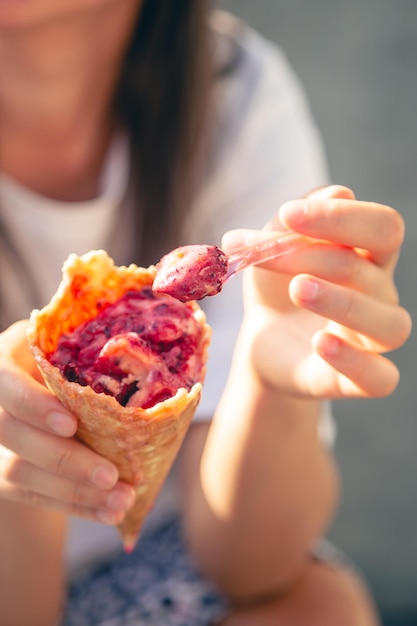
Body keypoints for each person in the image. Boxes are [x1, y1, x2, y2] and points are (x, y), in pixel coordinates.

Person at [0, 2, 411, 625]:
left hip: (154, 555)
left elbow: (252, 567)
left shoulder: (231, 93)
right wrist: (16, 483)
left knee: (321, 606)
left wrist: (270, 382)